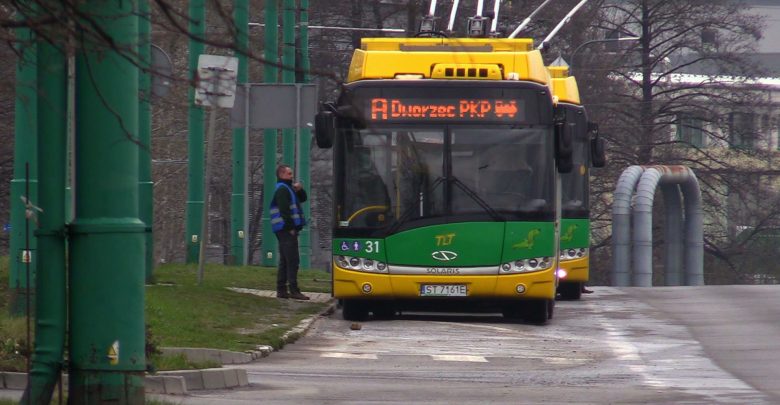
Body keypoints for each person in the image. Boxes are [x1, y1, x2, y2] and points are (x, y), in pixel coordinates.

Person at [270, 164, 310, 300]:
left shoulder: (289, 188)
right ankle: (294, 290)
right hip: (286, 230)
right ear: (281, 174)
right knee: (293, 260)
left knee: (285, 260)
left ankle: (281, 290)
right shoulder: (282, 189)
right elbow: (284, 210)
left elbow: (303, 199)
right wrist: (290, 228)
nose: (292, 176)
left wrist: (300, 190)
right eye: (289, 174)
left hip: (283, 229)